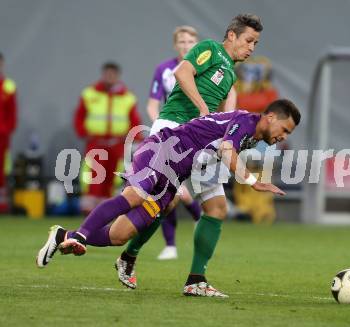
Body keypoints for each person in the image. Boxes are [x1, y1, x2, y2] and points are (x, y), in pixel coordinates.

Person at [36, 99, 301, 298]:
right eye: (285, 129)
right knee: (134, 196)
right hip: (161, 152)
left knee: (118, 235)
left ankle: (62, 235)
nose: (283, 137)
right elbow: (226, 148)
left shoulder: (254, 138)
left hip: (174, 177)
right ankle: (81, 235)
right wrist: (253, 182)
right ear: (269, 116)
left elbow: (212, 148)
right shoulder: (246, 123)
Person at [113, 13, 260, 290]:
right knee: (159, 202)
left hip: (200, 140)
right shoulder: (210, 49)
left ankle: (196, 280)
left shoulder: (230, 73)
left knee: (216, 207)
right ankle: (103, 244)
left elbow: (227, 114)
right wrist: (204, 110)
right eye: (249, 40)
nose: (252, 47)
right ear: (231, 35)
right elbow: (182, 73)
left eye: (255, 43)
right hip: (172, 128)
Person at [145, 25, 202, 261]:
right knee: (171, 189)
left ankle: (203, 221)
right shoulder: (164, 70)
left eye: (190, 42)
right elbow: (152, 104)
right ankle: (172, 244)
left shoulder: (205, 68)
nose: (186, 45)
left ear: (196, 44)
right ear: (175, 44)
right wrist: (160, 125)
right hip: (171, 134)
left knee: (180, 192)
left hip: (197, 134)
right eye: (182, 41)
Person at [74, 62, 141, 214]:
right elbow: (79, 116)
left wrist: (136, 139)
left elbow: (134, 121)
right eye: (107, 74)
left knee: (113, 176)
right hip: (95, 142)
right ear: (103, 75)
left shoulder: (128, 97)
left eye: (113, 74)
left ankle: (107, 211)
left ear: (117, 76)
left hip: (117, 143)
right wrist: (83, 133)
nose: (110, 77)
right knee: (93, 175)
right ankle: (89, 210)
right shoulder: (89, 94)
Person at [0, 52, 18, 213]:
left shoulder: (8, 87)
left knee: (1, 170)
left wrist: (5, 131)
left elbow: (11, 114)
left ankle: (2, 205)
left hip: (1, 137)